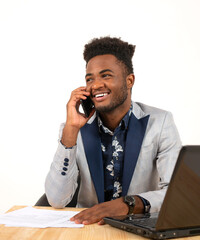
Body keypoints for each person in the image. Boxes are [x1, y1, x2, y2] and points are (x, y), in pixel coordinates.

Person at [45, 36, 182, 225]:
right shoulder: (74, 128)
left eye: (106, 75)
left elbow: (175, 193)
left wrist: (128, 204)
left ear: (129, 81)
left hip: (139, 228)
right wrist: (70, 132)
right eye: (89, 79)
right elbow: (56, 200)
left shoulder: (160, 122)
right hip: (88, 230)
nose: (96, 85)